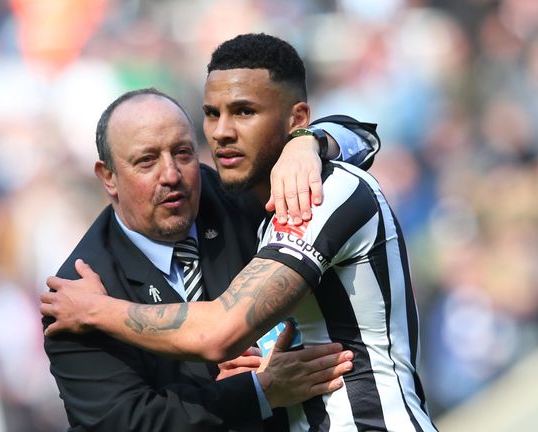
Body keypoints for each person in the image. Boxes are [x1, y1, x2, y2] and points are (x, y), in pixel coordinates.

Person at [42, 33, 436, 432]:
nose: (171, 175)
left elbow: (360, 137)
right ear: (107, 176)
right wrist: (256, 393)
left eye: (182, 152)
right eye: (146, 161)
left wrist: (308, 142)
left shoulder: (257, 194)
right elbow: (123, 424)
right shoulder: (74, 297)